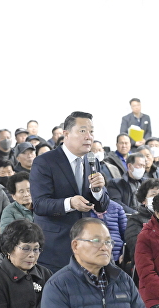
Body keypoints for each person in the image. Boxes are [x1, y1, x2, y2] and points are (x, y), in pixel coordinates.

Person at [30, 111, 109, 272]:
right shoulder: (45, 162)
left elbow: (102, 206)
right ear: (66, 134)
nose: (89, 137)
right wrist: (70, 203)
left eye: (91, 132)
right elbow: (39, 204)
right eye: (82, 131)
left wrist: (98, 192)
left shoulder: (91, 161)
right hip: (55, 247)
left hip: (85, 246)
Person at [124, 179, 159, 262]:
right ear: (144, 200)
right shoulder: (135, 220)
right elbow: (138, 246)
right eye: (153, 194)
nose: (158, 198)